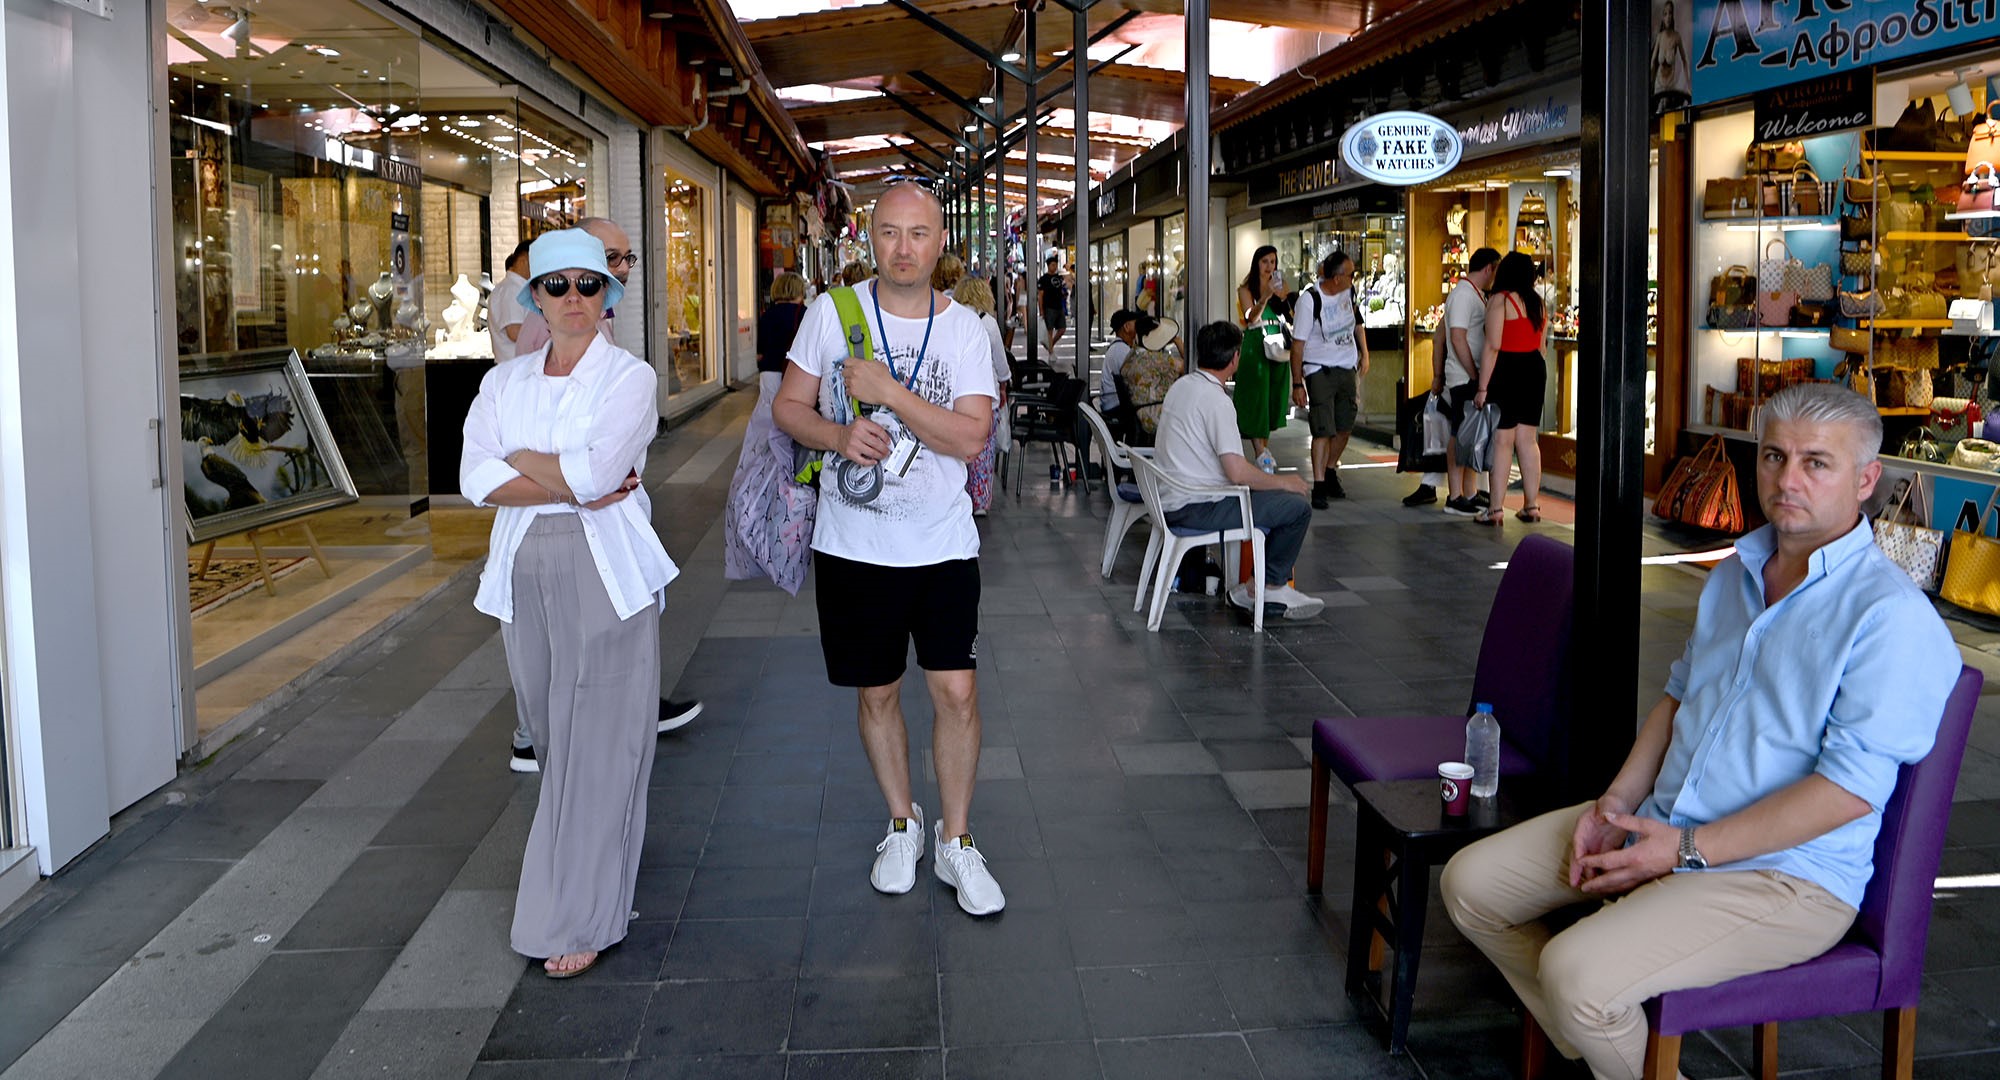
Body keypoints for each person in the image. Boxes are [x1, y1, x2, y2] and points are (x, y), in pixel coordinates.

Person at [1442, 383, 1958, 1079]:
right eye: (1774, 456)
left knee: (1575, 974)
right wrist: (1617, 803)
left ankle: (1593, 1020)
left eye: (1817, 463)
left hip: (1785, 879)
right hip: (1667, 822)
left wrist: (1685, 851)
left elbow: (1847, 792)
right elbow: (1678, 698)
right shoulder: (1738, 572)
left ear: (1866, 480)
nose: (1788, 479)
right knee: (1471, 885)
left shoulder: (1888, 617)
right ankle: (1598, 1038)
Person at [772, 181, 1006, 916]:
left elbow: (971, 437)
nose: (903, 249)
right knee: (877, 692)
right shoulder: (830, 314)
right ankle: (902, 823)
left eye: (918, 234)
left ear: (941, 243)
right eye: (889, 234)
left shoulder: (965, 327)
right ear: (868, 239)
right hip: (853, 545)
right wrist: (839, 434)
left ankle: (957, 840)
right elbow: (788, 407)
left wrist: (889, 394)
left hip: (941, 545)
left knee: (957, 693)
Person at [460, 229, 680, 979]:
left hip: (608, 568)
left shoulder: (631, 378)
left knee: (601, 745)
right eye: (558, 286)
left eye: (591, 284)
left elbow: (601, 474)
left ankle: (576, 916)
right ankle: (592, 875)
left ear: (608, 296)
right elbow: (476, 478)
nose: (575, 299)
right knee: (555, 739)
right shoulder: (504, 385)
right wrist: (564, 475)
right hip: (521, 568)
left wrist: (524, 460)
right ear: (535, 298)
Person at [1153, 321, 1326, 621]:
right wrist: (1283, 482)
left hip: (1169, 499)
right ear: (1235, 358)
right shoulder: (1217, 401)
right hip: (1196, 506)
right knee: (1296, 508)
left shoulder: (1182, 386)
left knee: (1270, 502)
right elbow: (1237, 473)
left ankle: (1254, 585)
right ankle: (1269, 585)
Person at [1413, 247, 1501, 514]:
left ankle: (1469, 491)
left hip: (1463, 374)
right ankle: (1455, 495)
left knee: (1468, 432)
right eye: (1495, 270)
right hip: (1464, 375)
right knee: (1459, 433)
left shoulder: (1470, 295)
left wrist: (1438, 374)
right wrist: (1474, 375)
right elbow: (1457, 337)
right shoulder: (1463, 295)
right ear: (1489, 268)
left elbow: (1440, 337)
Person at [1471, 252, 1548, 526]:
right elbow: (1542, 347)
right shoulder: (1538, 302)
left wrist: (1482, 387)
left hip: (1508, 368)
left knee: (1503, 441)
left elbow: (1492, 346)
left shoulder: (1500, 300)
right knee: (1528, 440)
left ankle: (1495, 509)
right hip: (1535, 369)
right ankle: (1532, 506)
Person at [1288, 251, 1369, 508]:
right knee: (1323, 429)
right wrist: (1297, 383)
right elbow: (1297, 345)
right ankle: (1320, 484)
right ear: (1336, 278)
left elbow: (1357, 321)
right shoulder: (1310, 301)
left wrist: (1364, 353)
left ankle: (1330, 468)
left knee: (1345, 426)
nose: (1354, 278)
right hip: (1318, 369)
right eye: (1351, 274)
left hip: (1346, 367)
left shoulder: (1349, 292)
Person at [515, 217, 638, 354]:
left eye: (627, 257)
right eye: (611, 257)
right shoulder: (553, 319)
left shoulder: (597, 314)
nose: (624, 268)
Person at [954, 275, 1011, 516]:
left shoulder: (953, 319)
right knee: (983, 448)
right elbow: (1000, 359)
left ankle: (959, 493)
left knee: (958, 447)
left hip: (957, 394)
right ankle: (980, 500)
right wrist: (1003, 384)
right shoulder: (988, 322)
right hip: (985, 395)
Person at [1234, 245, 1291, 462]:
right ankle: (1261, 453)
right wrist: (1265, 297)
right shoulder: (1245, 288)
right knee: (1257, 397)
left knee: (1272, 398)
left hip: (1277, 343)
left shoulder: (1280, 285)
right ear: (1257, 263)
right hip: (1257, 343)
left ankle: (1263, 450)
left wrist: (1283, 296)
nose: (1269, 266)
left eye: (1273, 262)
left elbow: (1288, 312)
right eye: (1265, 261)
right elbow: (1250, 317)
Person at [489, 241, 533, 364]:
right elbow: (514, 332)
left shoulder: (513, 288)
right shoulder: (512, 289)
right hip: (516, 368)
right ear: (524, 260)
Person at [1099, 309, 1138, 416]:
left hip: (1111, 403)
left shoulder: (1118, 347)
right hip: (1115, 405)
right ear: (1126, 327)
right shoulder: (1121, 350)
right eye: (1136, 323)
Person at [1037, 252, 1072, 362]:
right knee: (1050, 330)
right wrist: (1041, 310)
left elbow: (1064, 287)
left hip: (1059, 306)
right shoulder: (1044, 279)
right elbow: (1040, 295)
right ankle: (1051, 352)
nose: (1055, 266)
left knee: (1062, 329)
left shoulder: (1059, 277)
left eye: (1056, 264)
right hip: (1049, 307)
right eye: (1053, 265)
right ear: (1048, 265)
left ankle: (1050, 344)